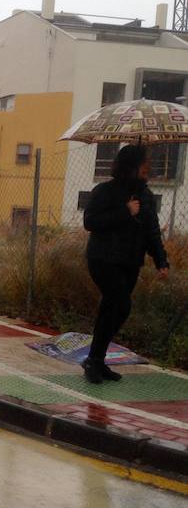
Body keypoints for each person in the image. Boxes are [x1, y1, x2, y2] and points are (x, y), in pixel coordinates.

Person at [82, 144, 169, 384]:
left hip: (130, 262)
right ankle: (94, 360)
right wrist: (125, 212)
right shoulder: (104, 191)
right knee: (120, 305)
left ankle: (96, 360)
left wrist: (161, 260)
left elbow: (152, 231)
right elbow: (90, 222)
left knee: (111, 309)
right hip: (103, 260)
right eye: (145, 162)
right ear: (131, 165)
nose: (149, 167)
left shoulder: (146, 196)